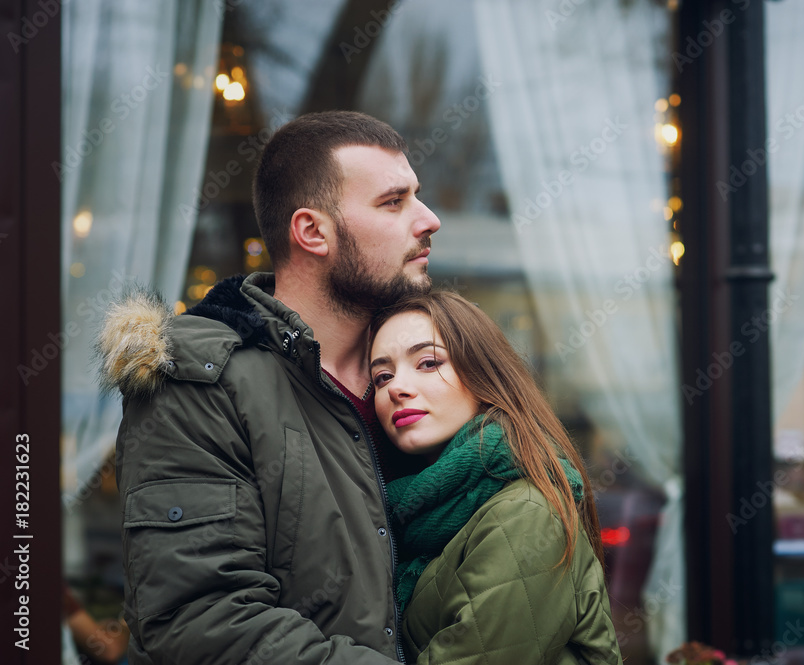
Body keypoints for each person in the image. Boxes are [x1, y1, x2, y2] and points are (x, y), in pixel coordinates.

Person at [98, 110, 440, 663]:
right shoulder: (199, 381)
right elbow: (201, 617)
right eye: (393, 202)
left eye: (417, 196)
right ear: (311, 232)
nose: (429, 220)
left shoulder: (432, 371)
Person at [367, 291, 623, 664]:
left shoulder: (528, 512)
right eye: (382, 376)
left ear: (482, 373)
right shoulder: (419, 513)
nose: (396, 388)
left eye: (427, 362)